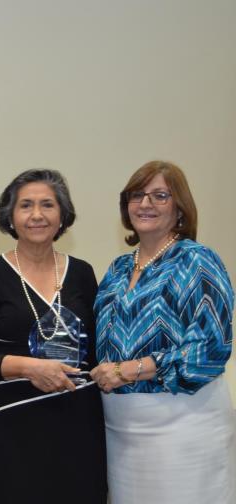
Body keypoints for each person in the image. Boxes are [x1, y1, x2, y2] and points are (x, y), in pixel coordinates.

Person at [90, 161, 235, 503]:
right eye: (137, 195)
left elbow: (210, 350)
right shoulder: (118, 268)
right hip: (121, 429)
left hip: (184, 423)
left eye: (160, 196)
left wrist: (133, 368)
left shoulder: (198, 261)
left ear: (180, 208)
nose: (145, 204)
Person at [0, 169, 107, 503]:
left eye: (47, 205)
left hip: (77, 418)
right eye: (26, 205)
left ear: (62, 216)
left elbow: (97, 352)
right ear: (10, 217)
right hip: (13, 420)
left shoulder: (82, 272)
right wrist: (31, 368)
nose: (37, 215)